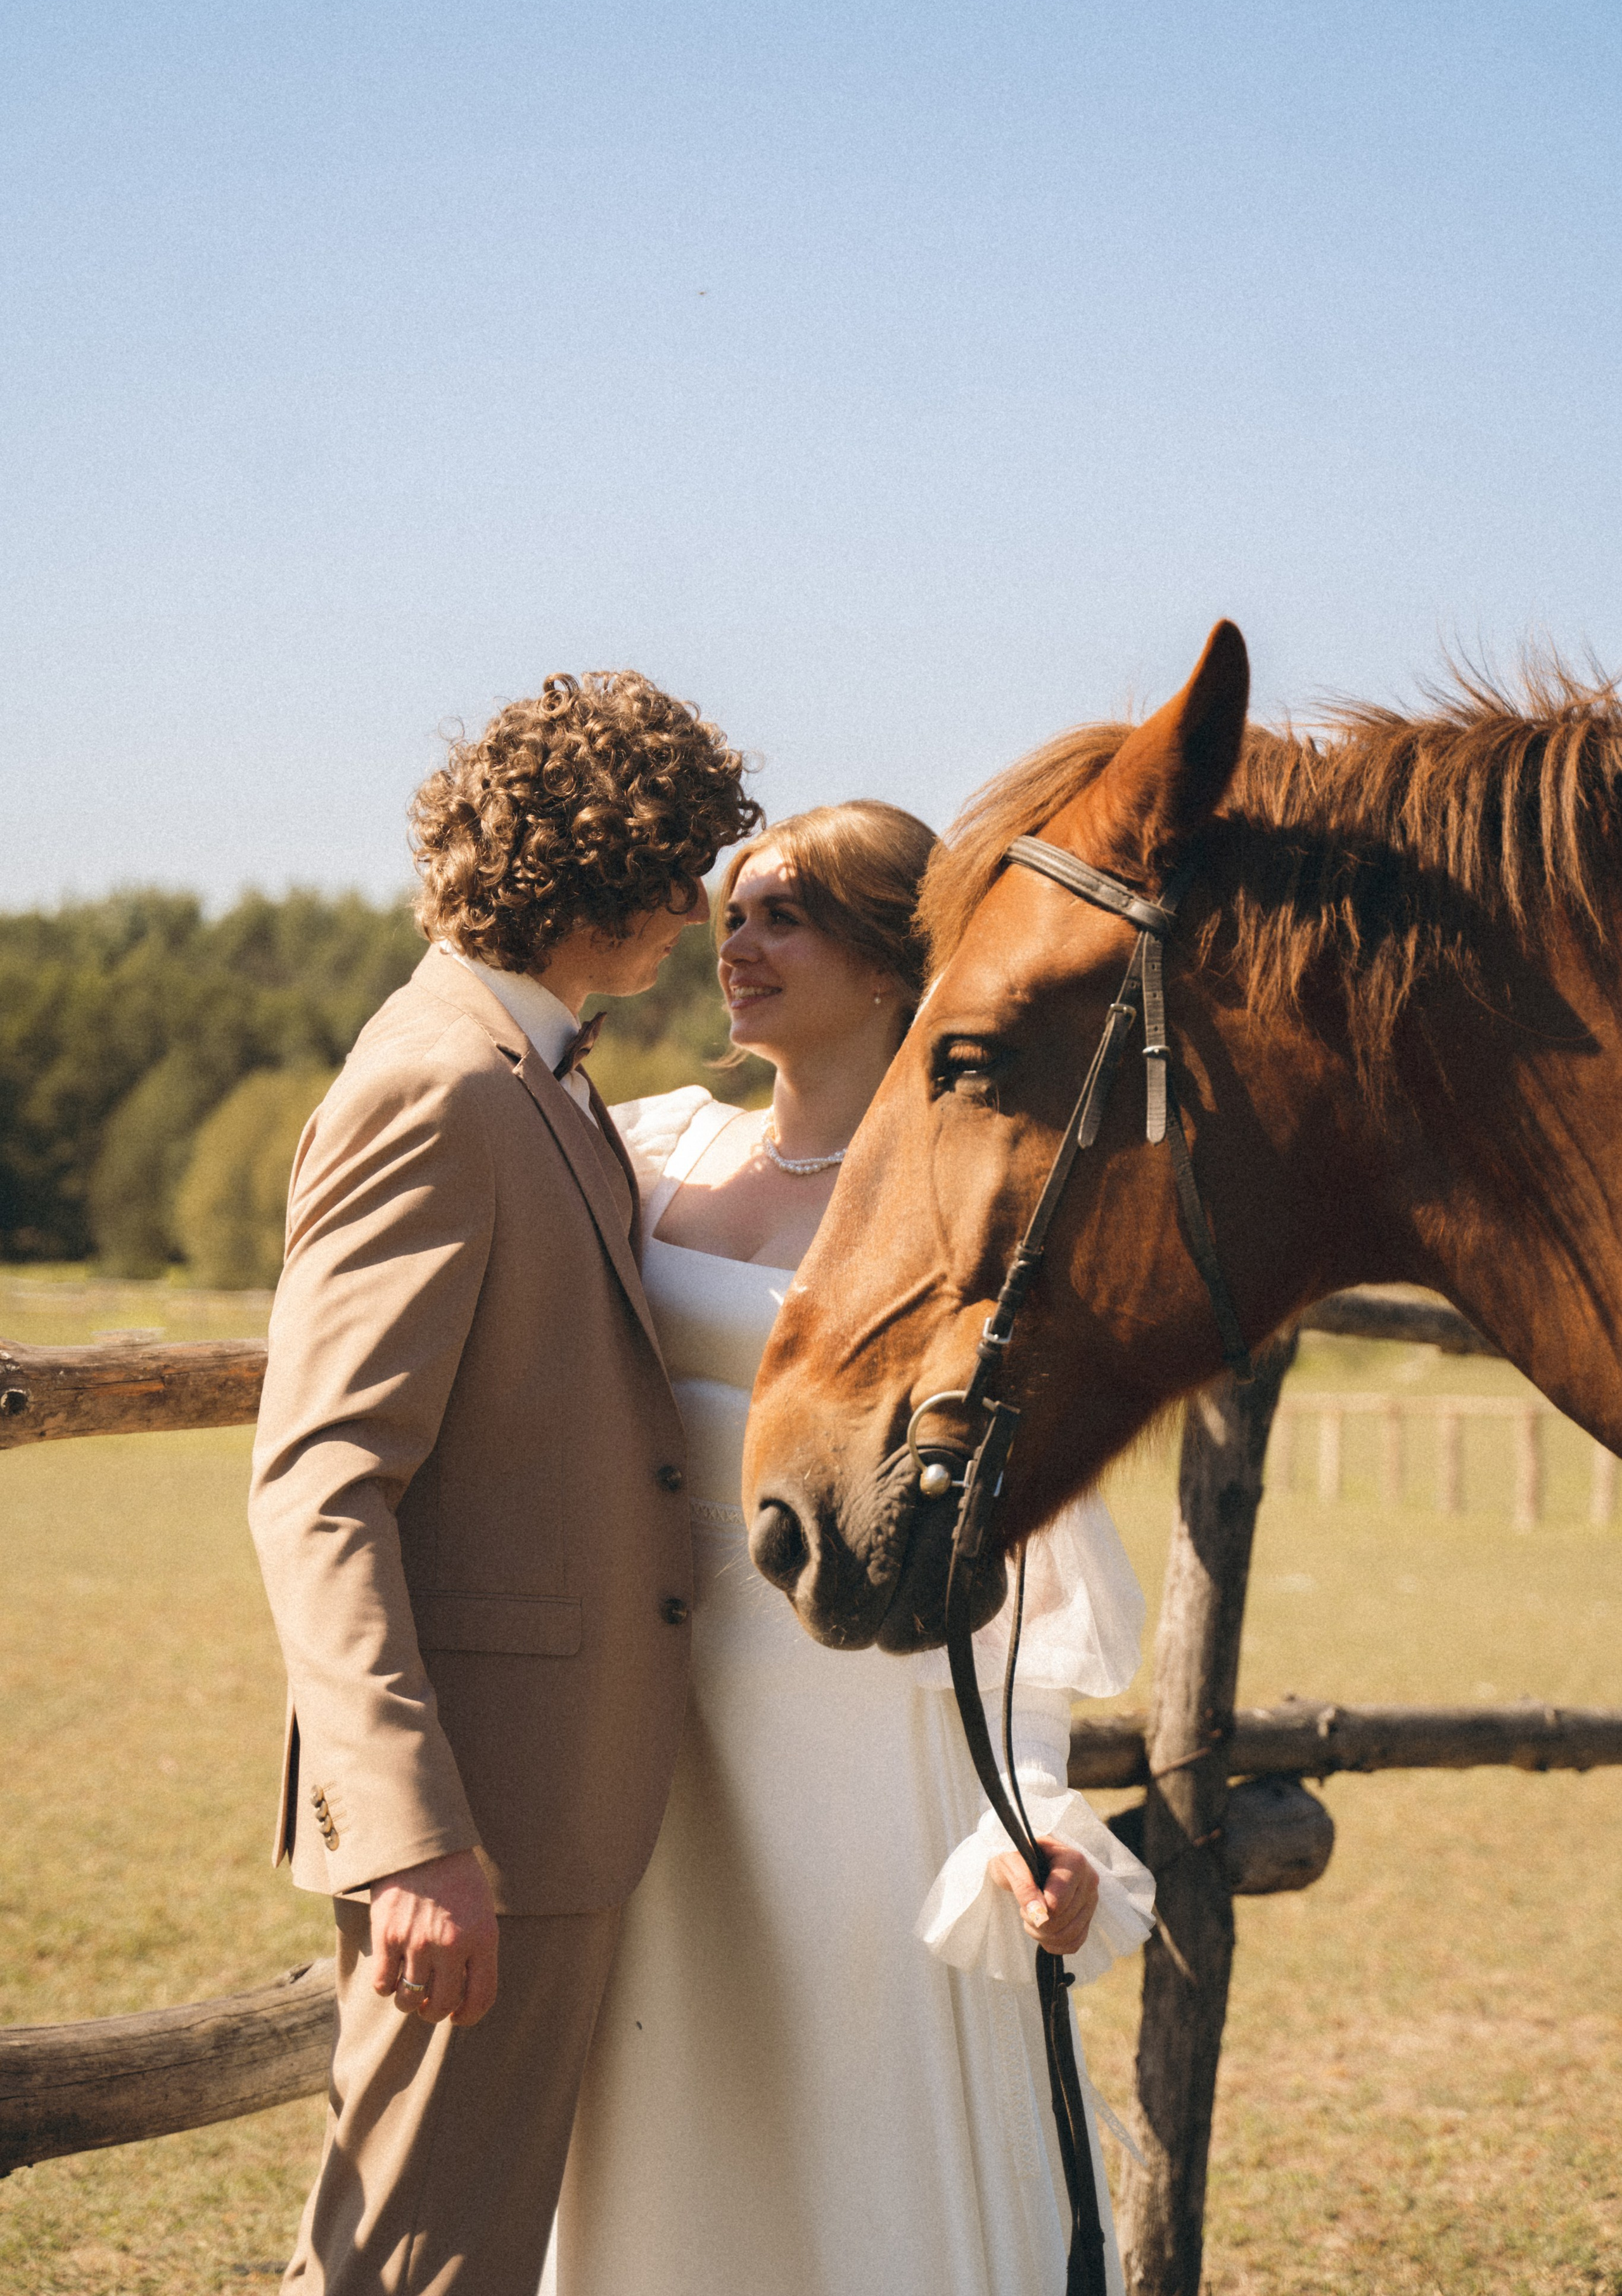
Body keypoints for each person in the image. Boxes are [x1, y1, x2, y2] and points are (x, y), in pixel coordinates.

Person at [544, 800, 1156, 2296]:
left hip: (865, 1760)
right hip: (652, 1731)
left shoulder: (966, 1209)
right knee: (661, 2128)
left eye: (782, 915)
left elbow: (1021, 1566)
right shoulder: (636, 1155)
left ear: (891, 964)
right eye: (732, 911)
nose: (733, 945)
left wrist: (1035, 1817)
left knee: (858, 2148)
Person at [248, 673, 761, 2295]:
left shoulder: (538, 1073)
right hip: (482, 1812)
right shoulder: (444, 1087)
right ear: (597, 868)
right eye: (676, 866)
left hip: (554, 1798)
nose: (694, 911)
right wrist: (409, 1838)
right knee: (411, 2263)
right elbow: (322, 1483)